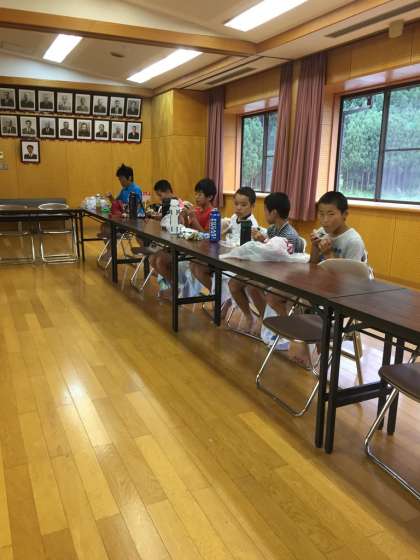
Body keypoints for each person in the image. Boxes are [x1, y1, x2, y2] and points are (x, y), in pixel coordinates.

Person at [228, 192, 303, 334]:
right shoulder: (272, 229)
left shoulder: (290, 235)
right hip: (267, 270)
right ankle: (249, 316)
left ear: (273, 212)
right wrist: (260, 242)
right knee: (233, 283)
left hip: (285, 276)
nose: (264, 213)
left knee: (252, 286)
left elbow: (285, 261)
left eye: (265, 210)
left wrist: (264, 242)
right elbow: (267, 253)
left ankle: (264, 321)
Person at [152, 178, 216, 295]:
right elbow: (187, 231)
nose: (196, 197)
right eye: (196, 194)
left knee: (161, 260)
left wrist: (193, 218)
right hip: (188, 248)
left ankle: (177, 289)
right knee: (153, 258)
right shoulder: (196, 210)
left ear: (210, 197)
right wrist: (184, 218)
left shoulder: (213, 213)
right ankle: (174, 287)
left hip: (200, 253)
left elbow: (207, 237)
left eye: (200, 194)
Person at [190, 187, 258, 292]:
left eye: (243, 205)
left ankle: (219, 296)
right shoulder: (234, 217)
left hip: (239, 262)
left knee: (199, 268)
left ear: (252, 206)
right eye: (236, 204)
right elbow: (229, 232)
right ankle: (218, 295)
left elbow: (245, 248)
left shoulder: (251, 225)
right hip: (227, 256)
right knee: (194, 264)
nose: (238, 208)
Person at [310, 191, 366, 263]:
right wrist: (315, 246)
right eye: (321, 214)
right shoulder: (321, 232)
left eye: (331, 214)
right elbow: (313, 265)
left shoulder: (354, 241)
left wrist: (328, 254)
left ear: (345, 214)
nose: (325, 220)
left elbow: (351, 270)